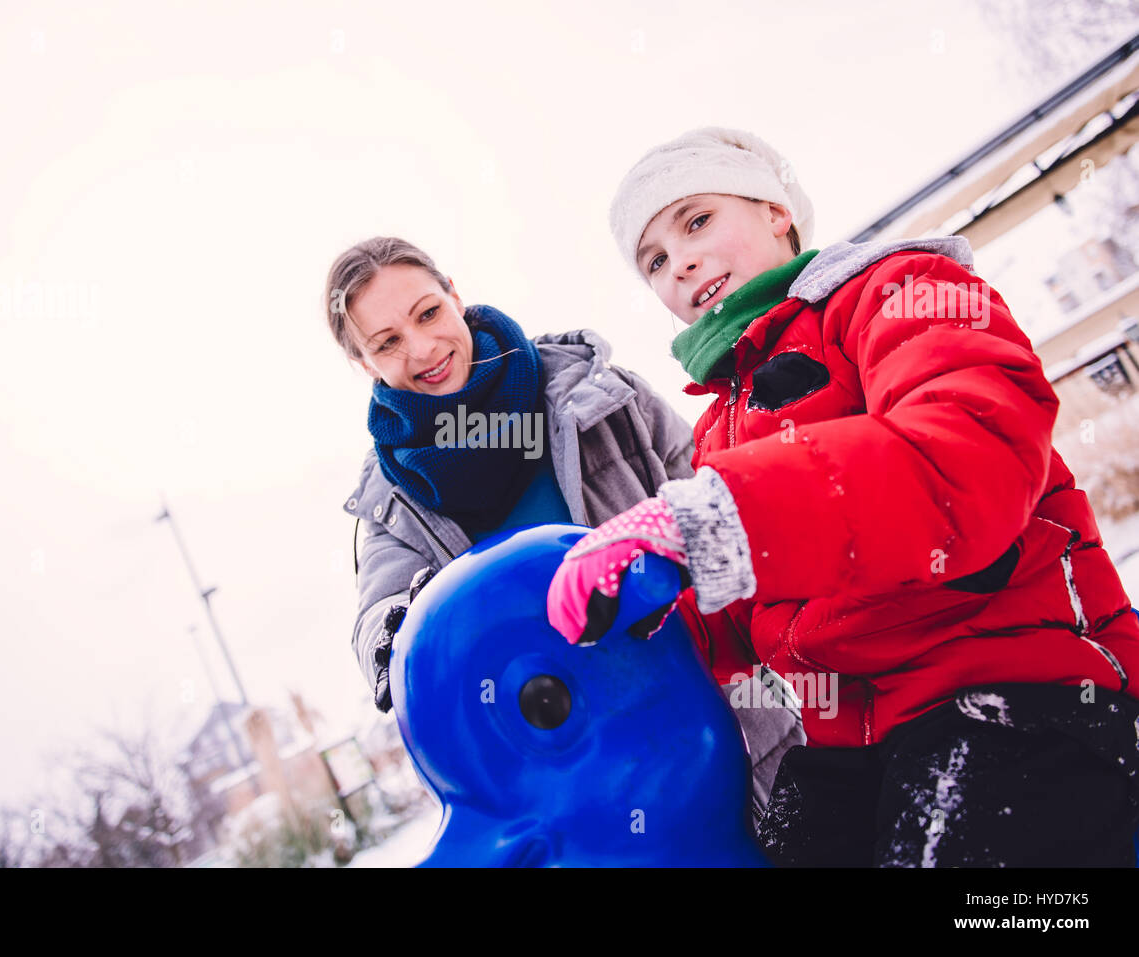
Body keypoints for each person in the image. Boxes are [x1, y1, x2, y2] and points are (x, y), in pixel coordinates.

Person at [548, 126, 1139, 867]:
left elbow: (967, 458)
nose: (681, 264)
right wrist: (630, 623)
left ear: (775, 211)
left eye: (696, 220)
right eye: (655, 262)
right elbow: (734, 631)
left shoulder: (903, 291)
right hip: (851, 738)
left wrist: (716, 519)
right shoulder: (718, 429)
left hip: (1017, 685)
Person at [327, 236, 804, 826]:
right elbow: (379, 621)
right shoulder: (391, 504)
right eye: (387, 343)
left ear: (454, 294)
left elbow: (731, 503)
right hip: (591, 798)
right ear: (362, 362)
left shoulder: (601, 396)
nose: (423, 347)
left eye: (428, 313)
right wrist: (405, 632)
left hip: (738, 732)